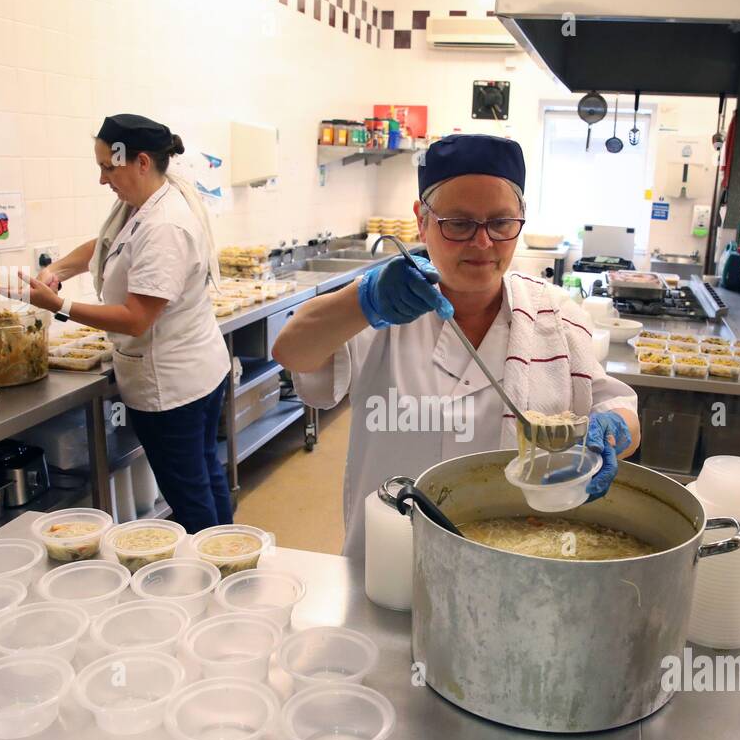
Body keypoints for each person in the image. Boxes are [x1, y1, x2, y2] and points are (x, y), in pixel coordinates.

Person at [273, 133, 641, 559]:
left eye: (501, 223)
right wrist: (363, 300)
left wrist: (610, 430)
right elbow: (292, 351)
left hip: (512, 560)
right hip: (390, 558)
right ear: (422, 220)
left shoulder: (554, 316)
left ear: (520, 219)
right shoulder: (382, 310)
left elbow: (621, 412)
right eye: (459, 224)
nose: (482, 243)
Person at [0, 113, 233, 532]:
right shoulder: (148, 200)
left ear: (142, 162)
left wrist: (58, 304)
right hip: (198, 369)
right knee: (206, 475)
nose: (103, 179)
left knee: (189, 493)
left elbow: (137, 319)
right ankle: (226, 555)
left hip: (172, 385)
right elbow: (110, 244)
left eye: (109, 167)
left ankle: (212, 576)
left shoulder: (165, 225)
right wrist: (62, 270)